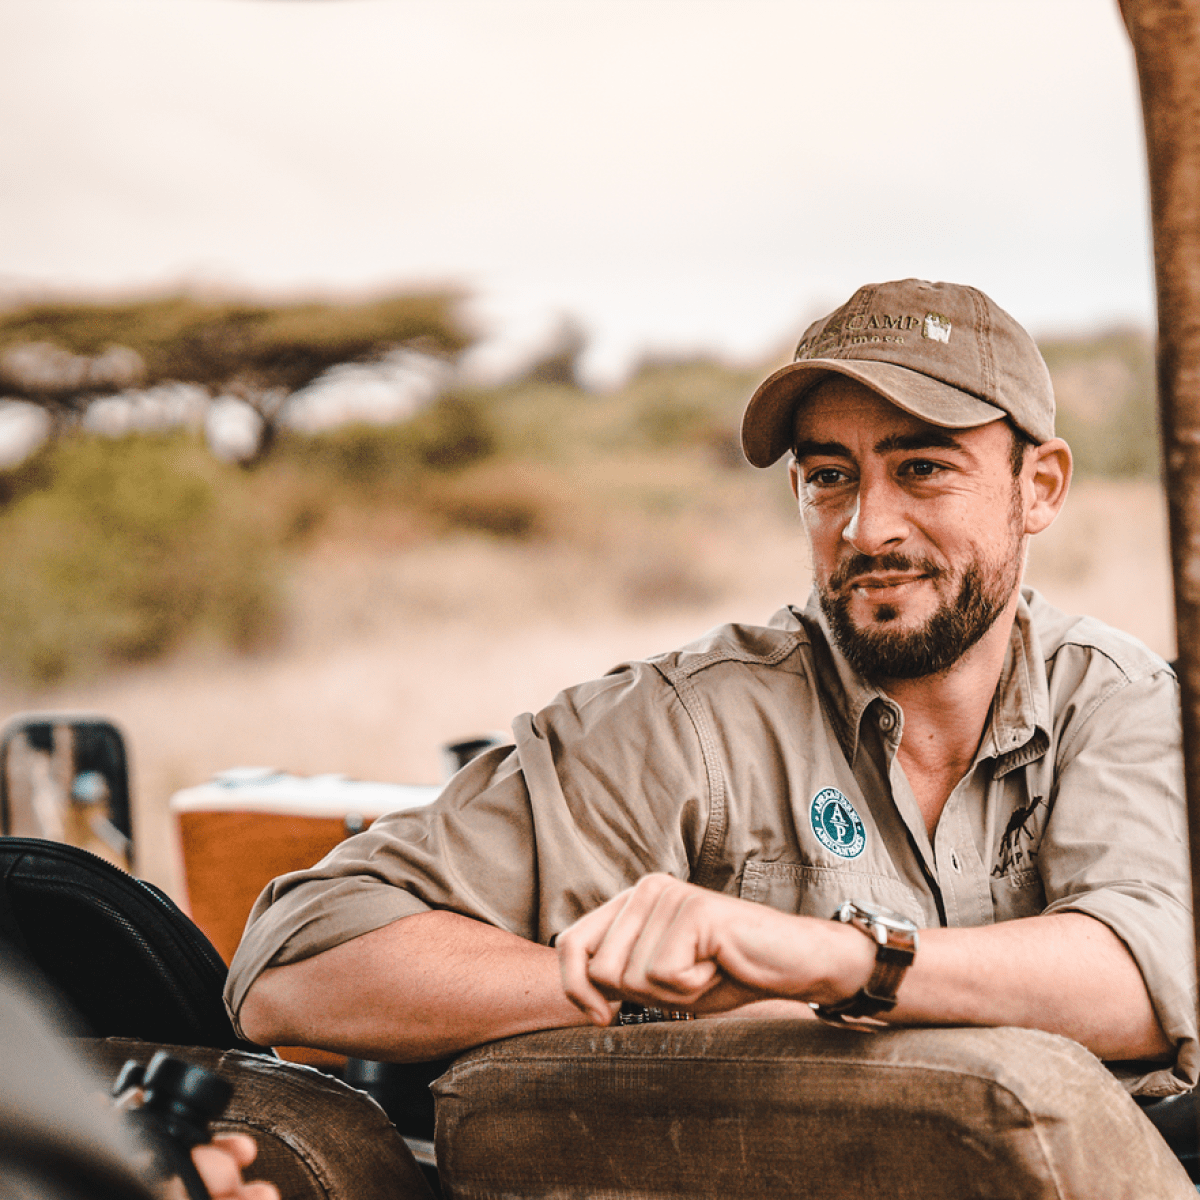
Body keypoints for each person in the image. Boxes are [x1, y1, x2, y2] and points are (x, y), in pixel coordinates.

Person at [225, 278, 1195, 1099]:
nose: (867, 527)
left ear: (1042, 488)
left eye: (924, 468)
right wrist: (661, 993)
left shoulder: (1112, 699)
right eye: (830, 476)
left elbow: (1143, 976)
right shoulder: (687, 720)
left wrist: (831, 960)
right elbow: (293, 969)